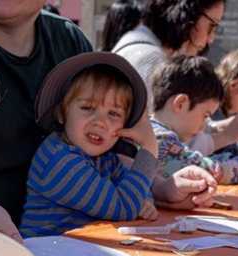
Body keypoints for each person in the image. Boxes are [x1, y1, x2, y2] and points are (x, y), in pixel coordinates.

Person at [0, 0, 217, 233]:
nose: (100, 119)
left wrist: (160, 188)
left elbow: (113, 153)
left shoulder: (69, 41)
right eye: (88, 108)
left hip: (76, 247)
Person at [19, 53, 157, 237]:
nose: (100, 122)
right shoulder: (59, 160)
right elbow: (124, 207)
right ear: (61, 114)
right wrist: (148, 148)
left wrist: (144, 199)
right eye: (88, 108)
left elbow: (134, 189)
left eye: (114, 114)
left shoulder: (107, 159)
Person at [150, 55, 238, 185]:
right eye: (205, 116)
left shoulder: (157, 134)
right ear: (180, 103)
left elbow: (200, 160)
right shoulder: (161, 142)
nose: (203, 127)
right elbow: (207, 170)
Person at [113, 0, 225, 107]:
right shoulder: (152, 61)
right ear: (190, 14)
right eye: (212, 26)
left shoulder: (139, 44)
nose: (211, 39)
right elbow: (159, 125)